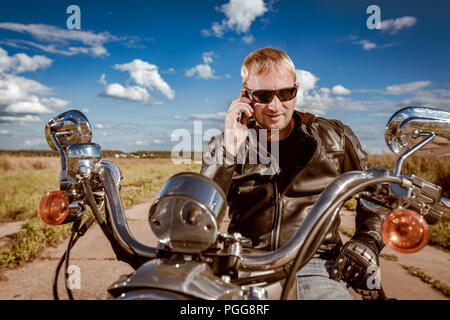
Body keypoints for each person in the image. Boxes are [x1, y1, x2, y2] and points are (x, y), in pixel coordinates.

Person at [200, 47, 384, 300]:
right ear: (246, 96)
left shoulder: (336, 137)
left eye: (286, 93)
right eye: (263, 96)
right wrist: (229, 148)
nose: (276, 106)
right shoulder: (224, 145)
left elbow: (376, 194)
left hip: (318, 265)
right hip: (245, 265)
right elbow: (201, 212)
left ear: (296, 90)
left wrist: (368, 239)